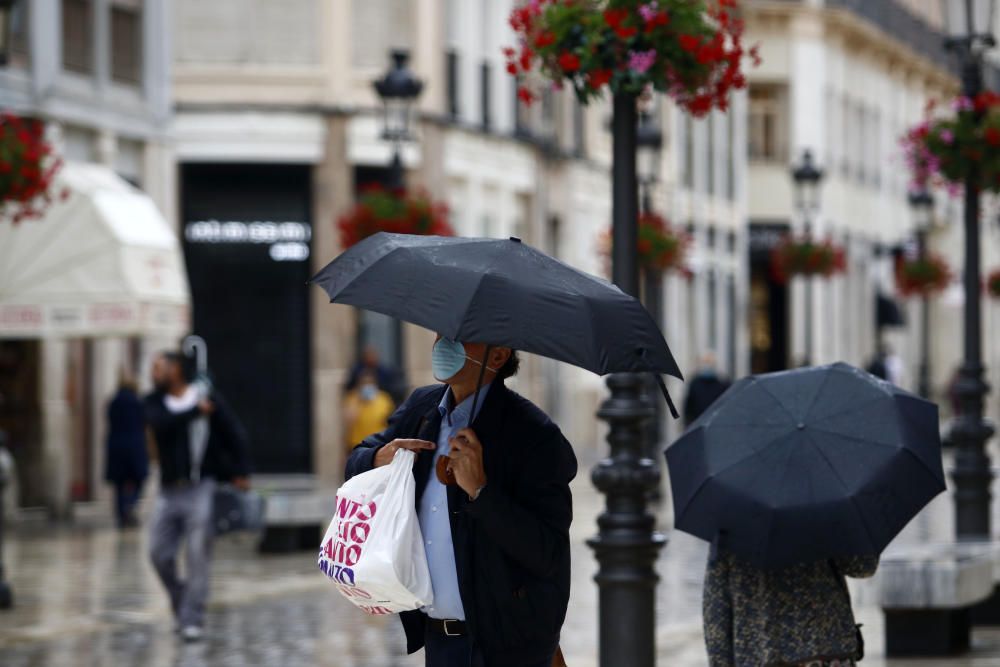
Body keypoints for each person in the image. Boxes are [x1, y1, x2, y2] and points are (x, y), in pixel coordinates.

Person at [345, 336, 577, 667]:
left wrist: (481, 491)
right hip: (440, 642)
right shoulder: (422, 409)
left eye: (461, 337)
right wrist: (378, 458)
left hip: (508, 646)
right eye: (441, 333)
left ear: (497, 356)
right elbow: (356, 460)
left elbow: (547, 552)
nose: (443, 343)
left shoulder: (534, 435)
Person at [145, 351, 250, 642]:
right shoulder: (154, 402)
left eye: (158, 366)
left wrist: (241, 470)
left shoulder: (207, 397)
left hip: (200, 487)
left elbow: (232, 431)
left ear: (175, 369)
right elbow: (162, 423)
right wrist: (195, 412)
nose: (153, 372)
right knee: (158, 553)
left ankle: (192, 617)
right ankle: (182, 600)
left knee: (197, 555)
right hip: (168, 491)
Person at [703, 537, 877, 666]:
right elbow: (863, 565)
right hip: (827, 653)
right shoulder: (824, 499)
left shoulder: (734, 512)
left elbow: (716, 606)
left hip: (760, 653)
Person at [104, 371, 148, 528]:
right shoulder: (138, 402)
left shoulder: (113, 402)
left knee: (119, 483)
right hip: (135, 444)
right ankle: (131, 503)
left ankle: (122, 513)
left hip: (116, 445)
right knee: (139, 478)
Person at [342, 371, 395, 453]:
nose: (367, 386)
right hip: (357, 445)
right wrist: (358, 402)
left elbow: (389, 421)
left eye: (370, 383)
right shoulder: (353, 398)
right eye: (364, 384)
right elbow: (349, 421)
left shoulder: (383, 399)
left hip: (378, 445)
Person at [683, 353, 731, 427]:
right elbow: (689, 406)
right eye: (705, 362)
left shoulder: (722, 384)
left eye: (710, 362)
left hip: (715, 424)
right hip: (698, 423)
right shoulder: (695, 383)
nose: (707, 365)